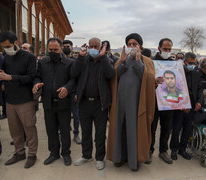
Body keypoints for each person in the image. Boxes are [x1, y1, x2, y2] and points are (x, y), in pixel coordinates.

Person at [107, 33, 155, 171]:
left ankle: (135, 160)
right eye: (129, 44)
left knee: (134, 129)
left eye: (135, 44)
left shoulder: (147, 61)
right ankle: (119, 157)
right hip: (120, 101)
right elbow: (114, 77)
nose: (132, 46)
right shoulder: (121, 59)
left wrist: (139, 62)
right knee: (120, 128)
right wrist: (122, 63)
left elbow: (149, 80)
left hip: (137, 102)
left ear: (140, 46)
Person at [0, 31, 38, 169]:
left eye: (8, 46)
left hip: (25, 99)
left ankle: (32, 154)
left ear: (16, 43)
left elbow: (30, 77)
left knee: (29, 128)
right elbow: (3, 74)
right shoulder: (4, 57)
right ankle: (19, 153)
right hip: (10, 99)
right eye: (3, 47)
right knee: (14, 130)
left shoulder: (29, 57)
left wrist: (10, 77)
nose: (6, 49)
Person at [72, 38, 114, 170]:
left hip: (99, 103)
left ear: (101, 47)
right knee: (85, 132)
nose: (93, 48)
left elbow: (110, 74)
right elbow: (73, 73)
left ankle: (100, 158)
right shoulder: (83, 61)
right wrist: (79, 57)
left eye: (96, 46)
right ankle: (86, 155)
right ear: (88, 47)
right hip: (84, 102)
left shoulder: (107, 61)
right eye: (91, 46)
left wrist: (103, 58)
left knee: (100, 133)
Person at [33, 38, 75, 166]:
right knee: (51, 130)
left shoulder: (69, 63)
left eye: (55, 49)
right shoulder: (43, 62)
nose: (53, 52)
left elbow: (73, 80)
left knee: (64, 129)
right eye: (50, 50)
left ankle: (66, 153)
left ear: (61, 48)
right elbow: (37, 76)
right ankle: (54, 153)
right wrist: (36, 84)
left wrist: (67, 88)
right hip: (48, 102)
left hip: (64, 103)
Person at [170, 52, 203, 160]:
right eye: (190, 63)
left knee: (188, 129)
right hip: (179, 106)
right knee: (176, 129)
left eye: (194, 63)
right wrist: (182, 104)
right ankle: (174, 150)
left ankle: (182, 149)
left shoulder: (196, 73)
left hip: (192, 106)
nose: (192, 65)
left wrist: (199, 101)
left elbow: (200, 88)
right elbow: (172, 89)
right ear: (184, 62)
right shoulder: (177, 72)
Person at [148, 38, 174, 165]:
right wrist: (154, 82)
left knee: (166, 128)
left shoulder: (173, 64)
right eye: (165, 49)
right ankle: (149, 151)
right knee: (152, 128)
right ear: (159, 49)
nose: (167, 51)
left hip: (168, 101)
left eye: (169, 49)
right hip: (153, 100)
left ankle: (163, 151)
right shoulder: (150, 62)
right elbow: (145, 82)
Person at [62, 39, 81, 144]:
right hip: (63, 92)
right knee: (63, 114)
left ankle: (76, 134)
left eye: (67, 46)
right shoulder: (59, 61)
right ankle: (62, 132)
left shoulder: (76, 61)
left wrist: (78, 93)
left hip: (73, 92)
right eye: (64, 46)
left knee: (76, 115)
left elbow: (79, 79)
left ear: (72, 48)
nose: (66, 48)